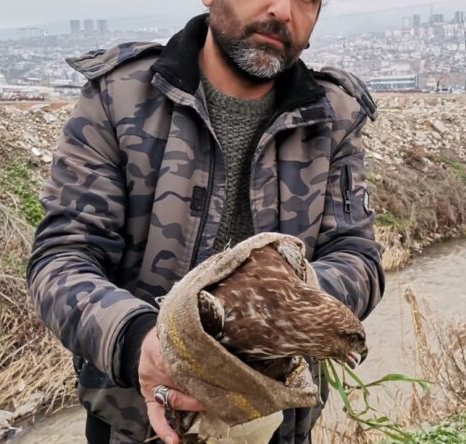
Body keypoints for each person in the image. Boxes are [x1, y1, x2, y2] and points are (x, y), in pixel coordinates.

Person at [26, 0, 385, 443]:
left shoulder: (334, 116)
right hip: (134, 426)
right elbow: (62, 258)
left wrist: (278, 307)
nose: (283, 10)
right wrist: (141, 342)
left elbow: (357, 257)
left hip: (277, 429)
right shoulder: (119, 96)